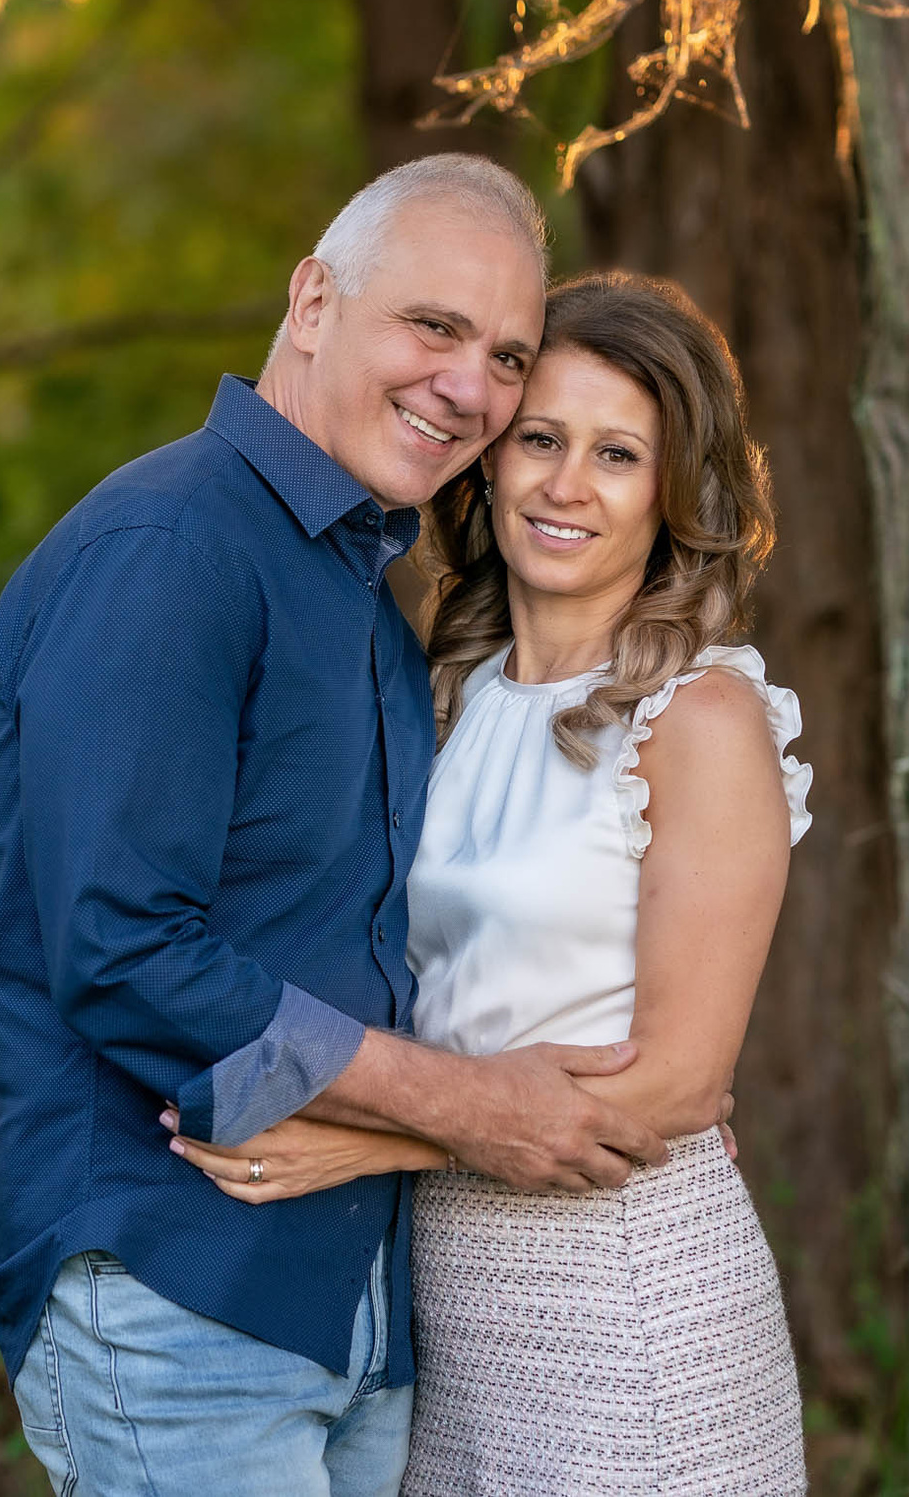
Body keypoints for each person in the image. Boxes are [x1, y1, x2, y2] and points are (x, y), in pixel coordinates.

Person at [0, 158, 674, 1497]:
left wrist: (645, 1082)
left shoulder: (360, 587)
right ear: (312, 301)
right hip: (178, 1288)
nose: (470, 386)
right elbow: (122, 949)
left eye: (507, 353)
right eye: (434, 327)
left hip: (350, 1307)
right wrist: (474, 1106)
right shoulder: (171, 548)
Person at [171, 273, 812, 1492]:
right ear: (490, 458)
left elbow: (677, 1082)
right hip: (446, 1305)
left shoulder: (703, 714)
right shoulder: (439, 699)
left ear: (672, 496)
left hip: (629, 1293)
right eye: (540, 439)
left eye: (617, 453)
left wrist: (363, 1142)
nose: (566, 484)